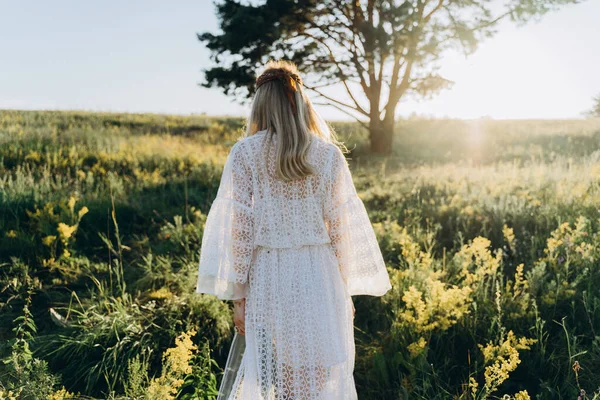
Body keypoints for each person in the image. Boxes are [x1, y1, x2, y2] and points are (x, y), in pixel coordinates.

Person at [196, 60, 391, 400]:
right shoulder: (328, 155)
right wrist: (344, 289)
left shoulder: (245, 153)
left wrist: (239, 297)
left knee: (285, 375)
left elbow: (238, 229)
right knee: (316, 374)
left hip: (269, 275)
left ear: (260, 105)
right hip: (320, 273)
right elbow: (342, 230)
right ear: (301, 103)